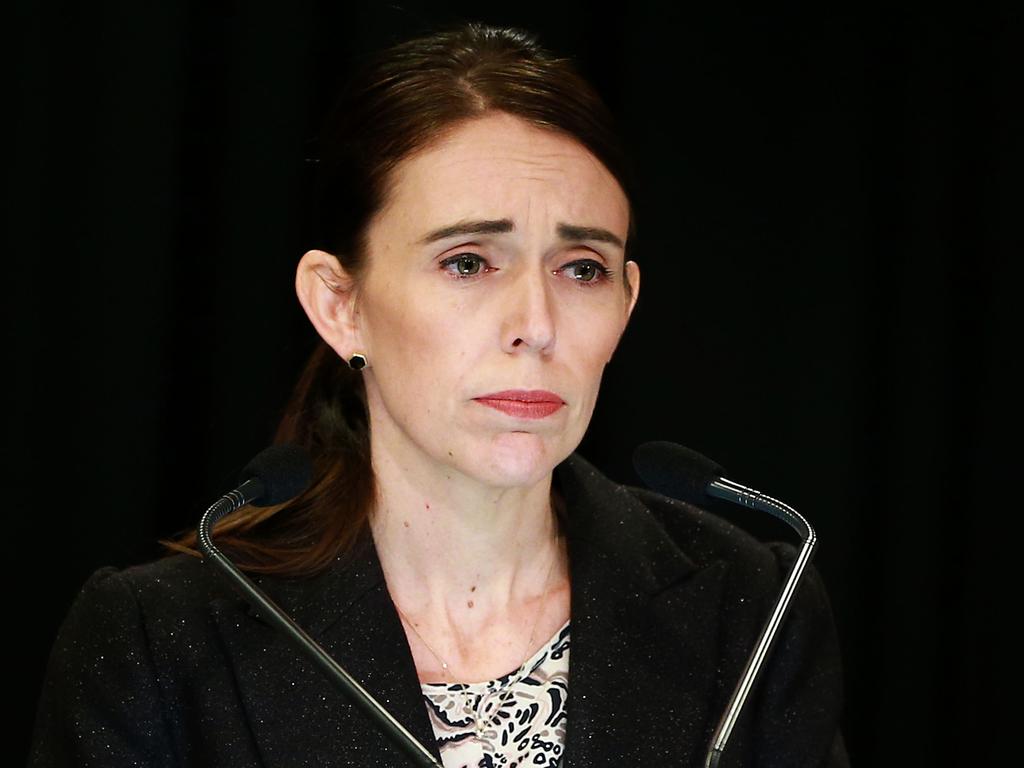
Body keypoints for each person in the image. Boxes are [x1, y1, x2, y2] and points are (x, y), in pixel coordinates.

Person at [28, 21, 848, 768]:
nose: (535, 324)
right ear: (339, 304)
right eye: (468, 262)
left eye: (582, 269)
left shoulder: (751, 607)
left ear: (626, 305)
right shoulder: (160, 640)